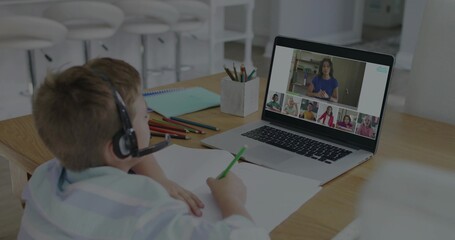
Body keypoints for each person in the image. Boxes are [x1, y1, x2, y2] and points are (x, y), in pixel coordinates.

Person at [19, 58, 268, 239]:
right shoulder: (143, 208)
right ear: (121, 144)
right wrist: (231, 198)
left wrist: (156, 174)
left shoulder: (44, 178)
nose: (149, 119)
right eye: (145, 116)